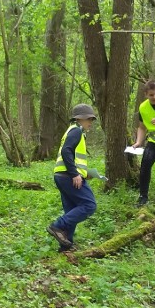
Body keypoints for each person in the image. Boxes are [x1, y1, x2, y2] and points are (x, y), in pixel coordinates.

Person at [47, 104, 98, 252]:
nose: (91, 122)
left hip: (61, 175)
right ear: (78, 118)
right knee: (89, 205)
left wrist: (84, 173)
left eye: (92, 119)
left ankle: (66, 245)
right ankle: (57, 226)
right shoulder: (76, 131)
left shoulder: (73, 131)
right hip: (68, 176)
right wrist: (75, 174)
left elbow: (72, 155)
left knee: (72, 209)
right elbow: (66, 151)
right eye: (89, 119)